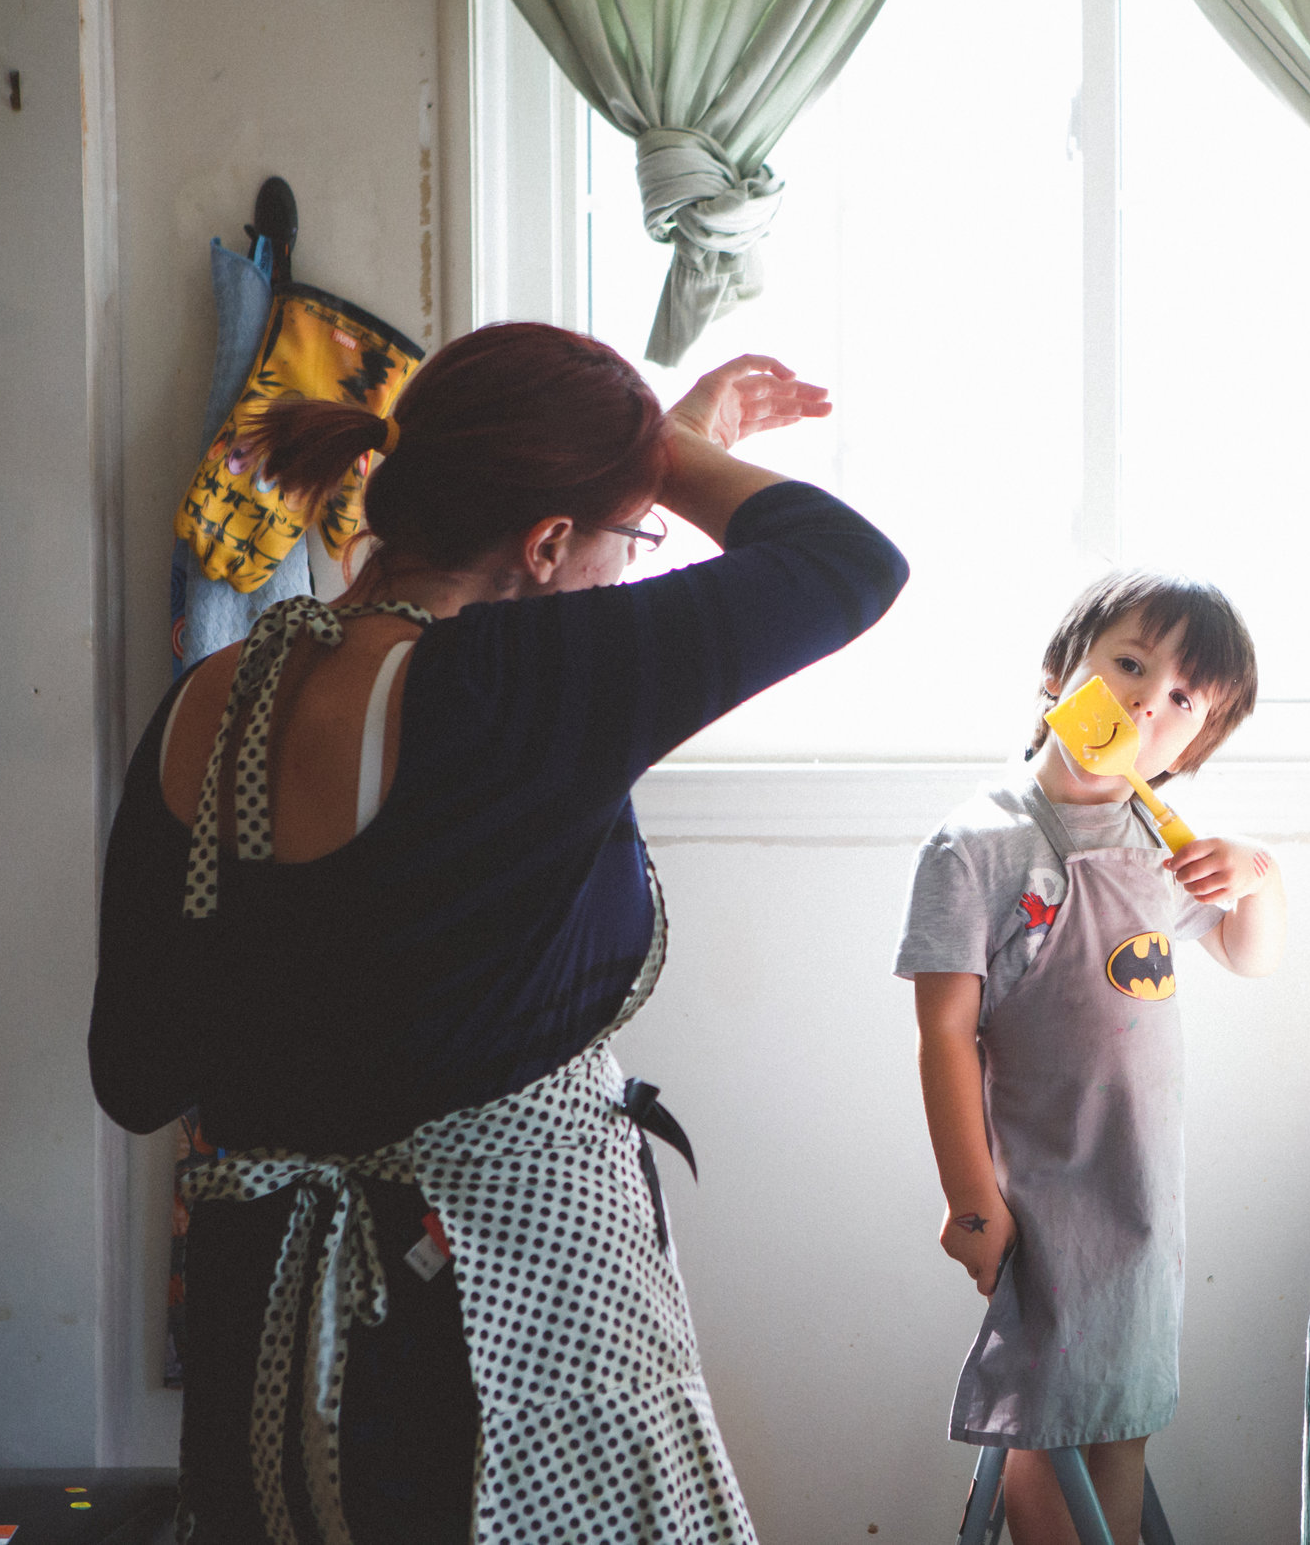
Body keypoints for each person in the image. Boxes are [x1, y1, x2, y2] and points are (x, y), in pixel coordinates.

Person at [89, 323, 907, 1545]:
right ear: (541, 544)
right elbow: (847, 562)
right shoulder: (518, 675)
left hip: (267, 1334)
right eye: (625, 540)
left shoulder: (206, 702)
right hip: (504, 1319)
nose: (630, 575)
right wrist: (671, 449)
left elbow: (136, 1072)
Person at [897, 571, 1289, 1545]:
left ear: (1194, 741)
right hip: (1045, 1196)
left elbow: (1251, 954)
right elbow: (944, 1033)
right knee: (1056, 1421)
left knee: (1120, 1418)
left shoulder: (1164, 843)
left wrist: (1259, 870)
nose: (1145, 701)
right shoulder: (975, 845)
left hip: (1142, 1191)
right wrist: (971, 1199)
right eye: (1127, 664)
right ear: (1058, 670)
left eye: (1181, 699)